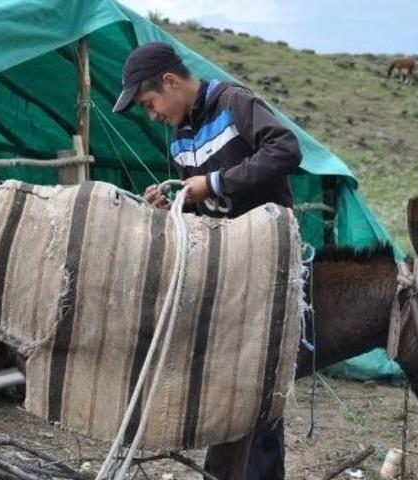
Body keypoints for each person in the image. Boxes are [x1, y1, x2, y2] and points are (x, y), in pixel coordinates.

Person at [113, 41, 303, 480]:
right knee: (226, 383)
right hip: (225, 274)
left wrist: (213, 182)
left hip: (265, 267)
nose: (152, 114)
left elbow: (285, 150)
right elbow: (205, 204)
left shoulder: (234, 102)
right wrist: (176, 201)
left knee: (260, 386)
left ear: (171, 81)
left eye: (149, 103)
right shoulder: (179, 137)